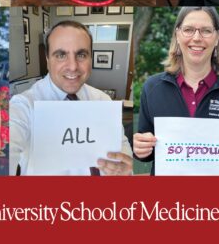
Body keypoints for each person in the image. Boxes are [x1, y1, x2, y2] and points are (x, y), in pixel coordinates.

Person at [134, 7, 219, 175]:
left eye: (206, 31)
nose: (197, 38)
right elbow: (145, 153)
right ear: (177, 35)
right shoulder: (152, 87)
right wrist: (140, 148)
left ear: (217, 38)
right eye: (188, 30)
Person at [9, 20, 133, 175]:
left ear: (90, 58)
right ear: (47, 60)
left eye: (81, 54)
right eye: (61, 55)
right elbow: (9, 148)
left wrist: (125, 167)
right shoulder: (24, 105)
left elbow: (121, 144)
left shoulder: (102, 101)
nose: (73, 66)